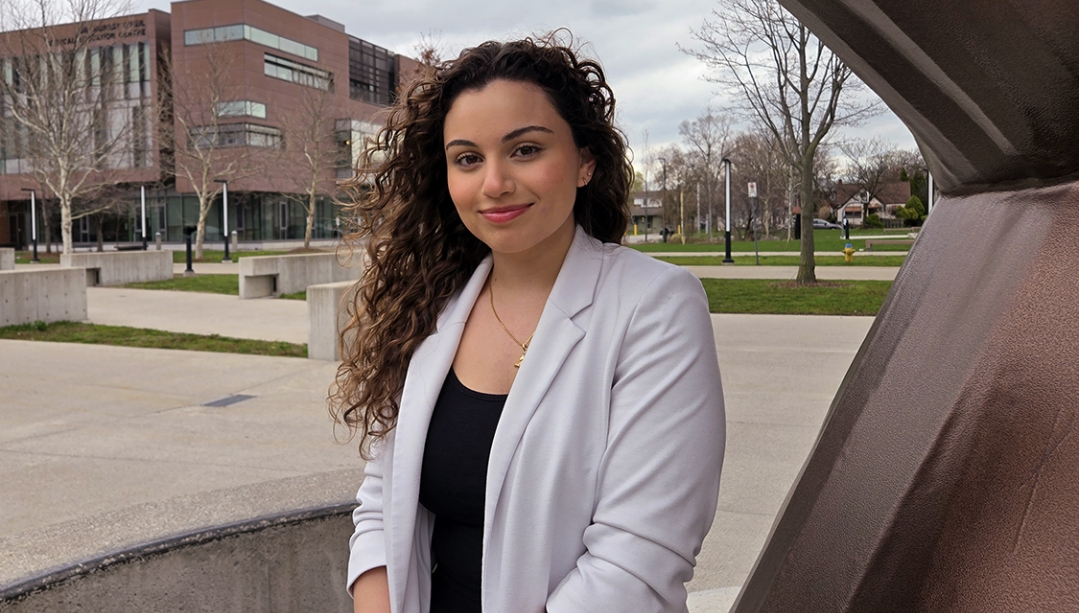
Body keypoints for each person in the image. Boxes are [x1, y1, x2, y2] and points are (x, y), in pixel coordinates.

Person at [330, 33, 725, 613]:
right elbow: (381, 499)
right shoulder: (435, 305)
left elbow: (638, 559)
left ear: (585, 162)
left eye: (525, 150)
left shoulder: (656, 307)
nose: (494, 183)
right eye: (468, 159)